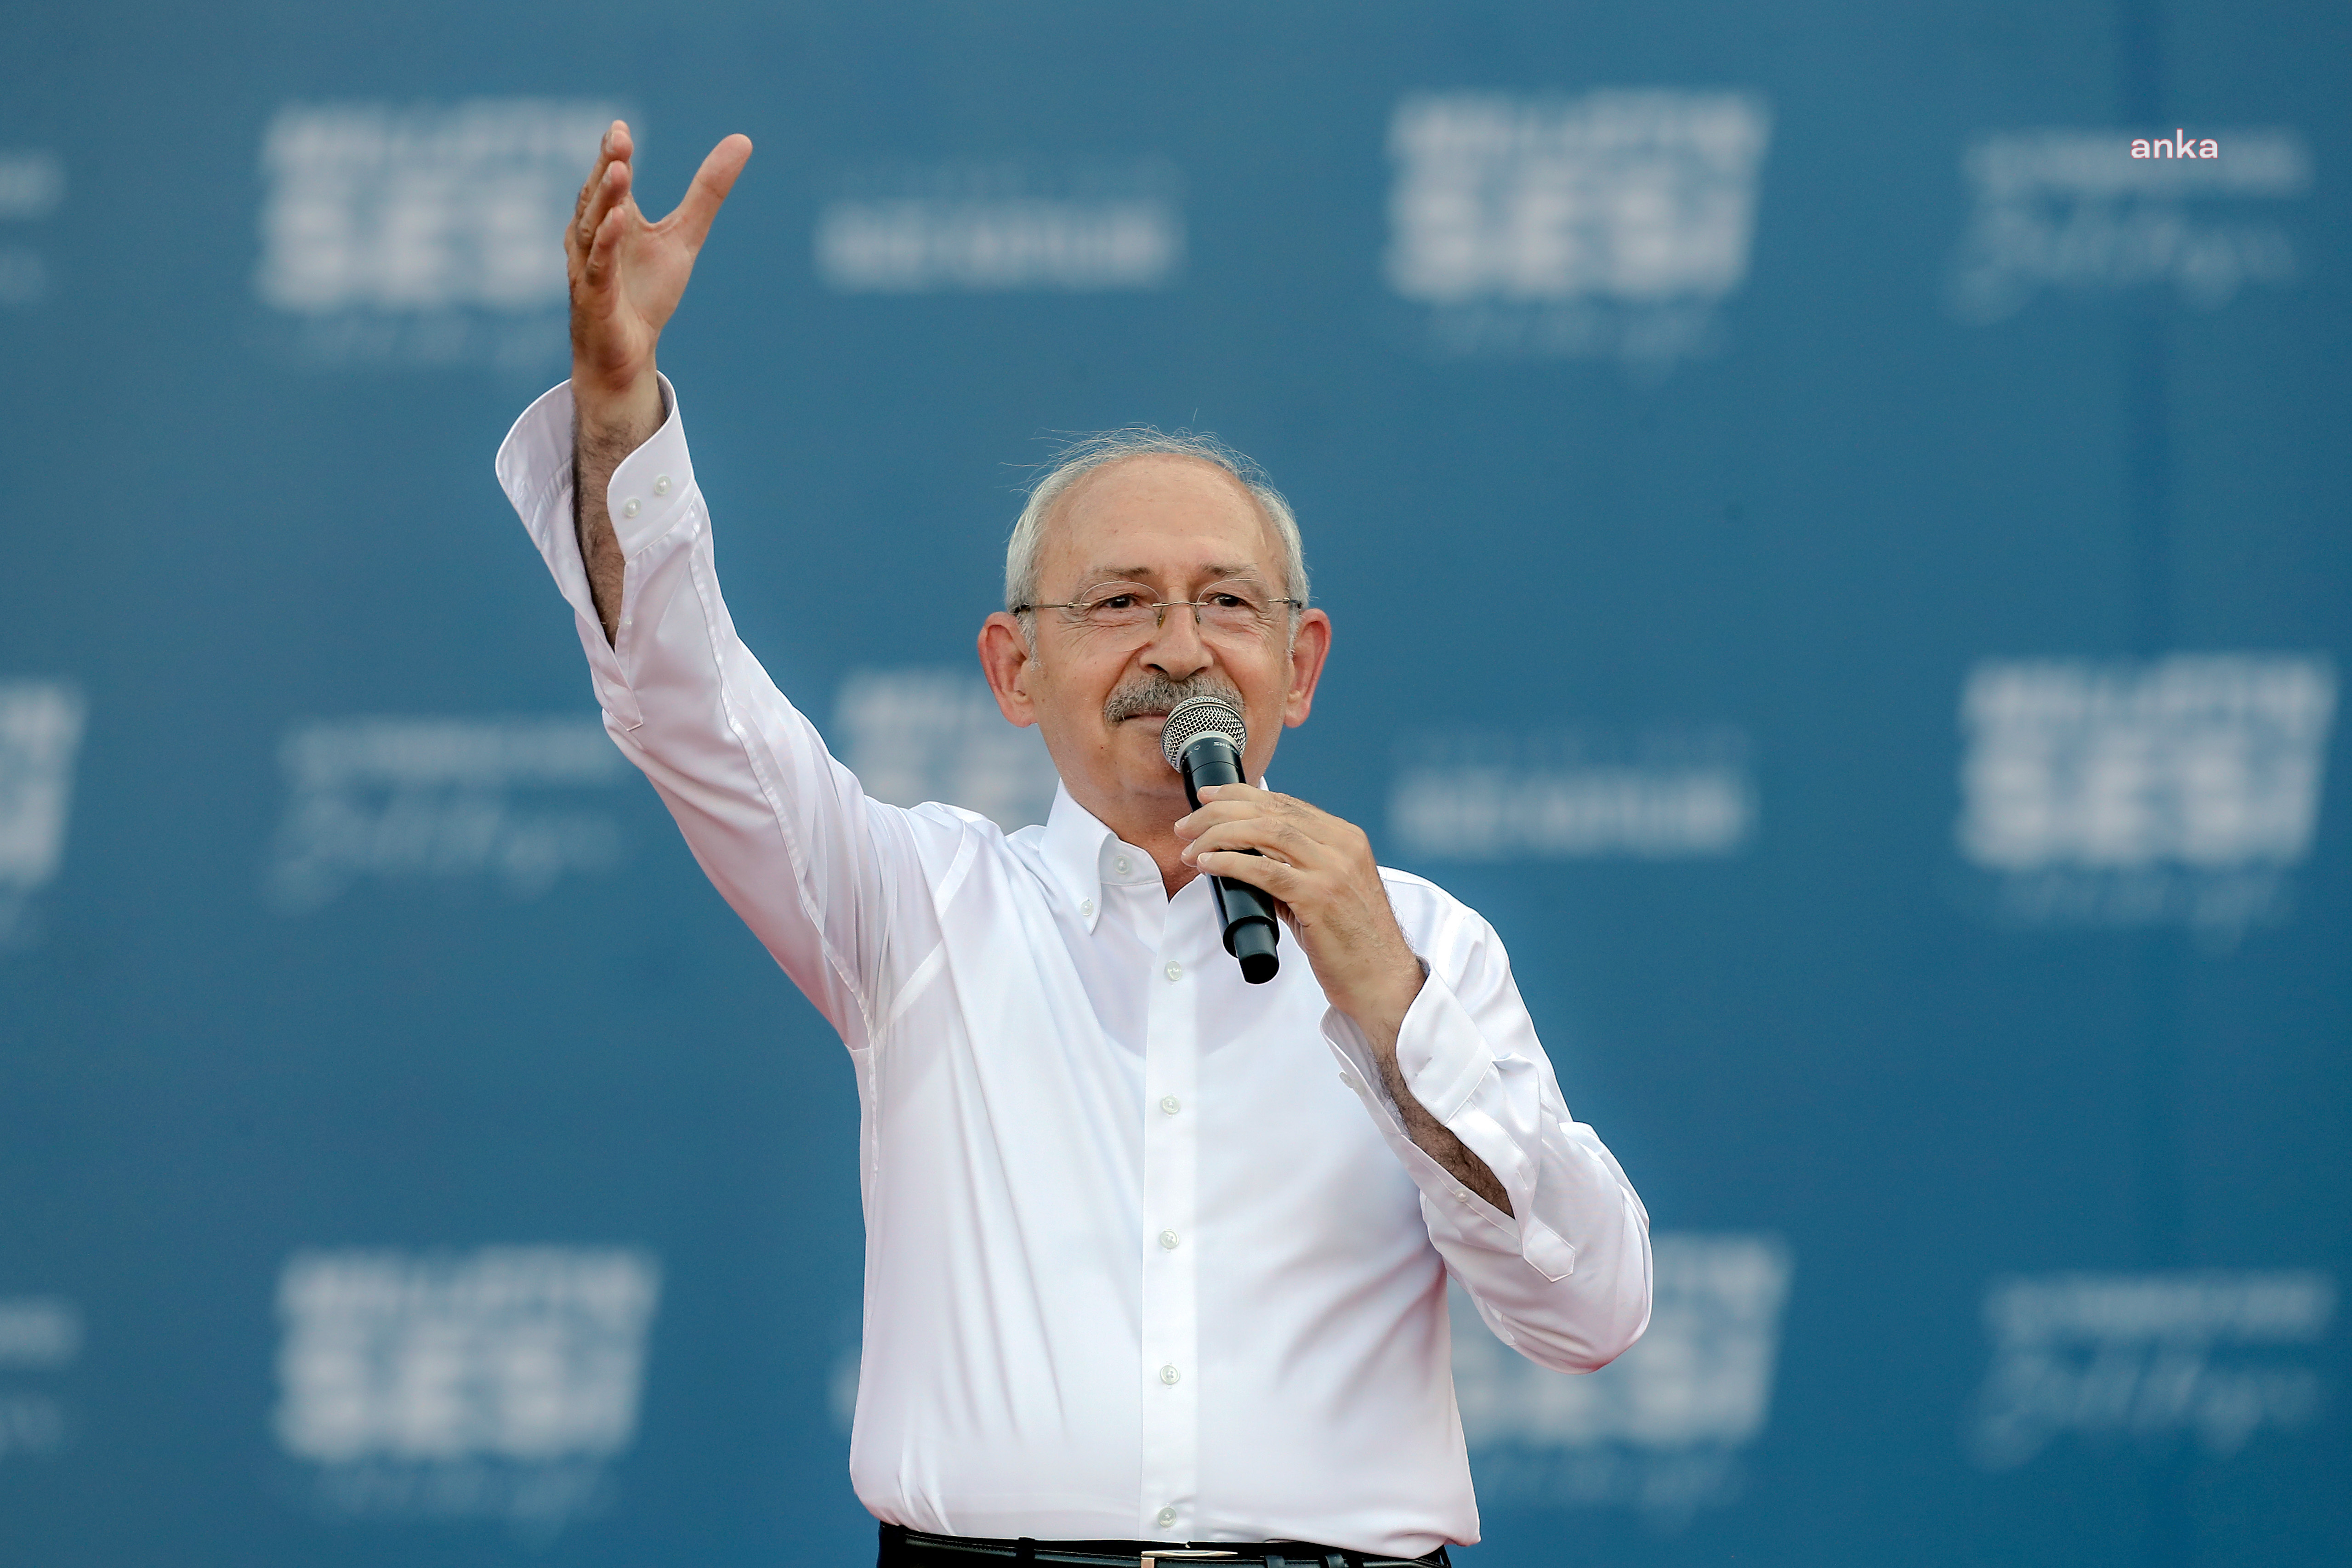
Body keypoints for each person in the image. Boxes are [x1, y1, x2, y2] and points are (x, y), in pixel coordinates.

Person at [494, 122, 1652, 1568]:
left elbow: (1591, 1315)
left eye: (1228, 604)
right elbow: (687, 704)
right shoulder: (916, 907)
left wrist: (1401, 1019)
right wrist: (617, 408)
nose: (1181, 649)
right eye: (1118, 604)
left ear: (1300, 667)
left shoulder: (1423, 943)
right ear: (1013, 669)